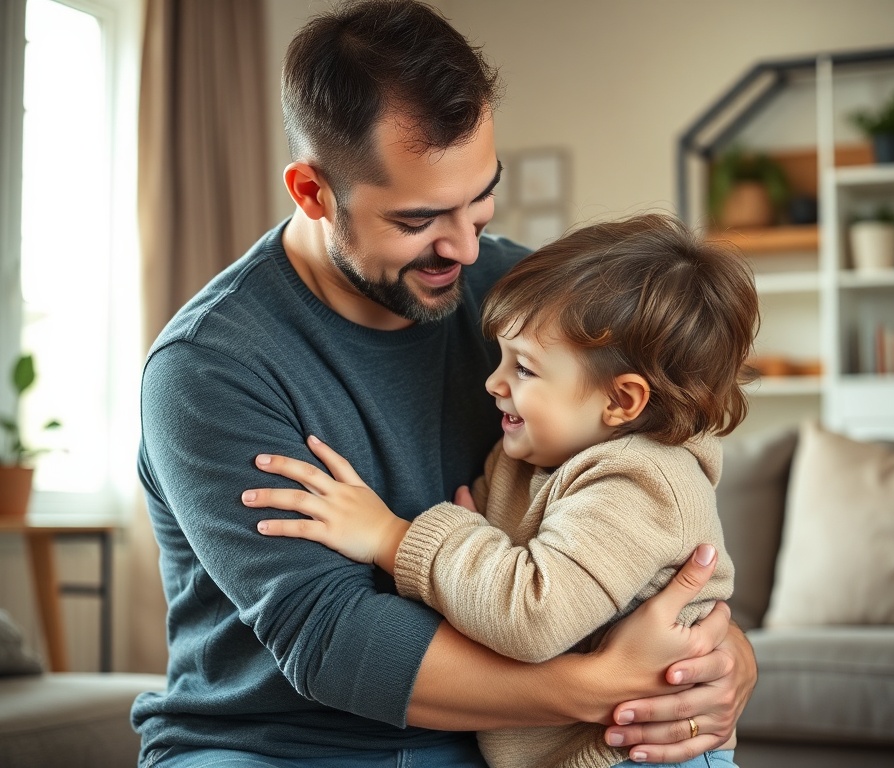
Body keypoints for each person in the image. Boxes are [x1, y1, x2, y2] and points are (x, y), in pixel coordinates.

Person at [132, 1, 758, 766]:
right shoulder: (211, 367)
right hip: (278, 743)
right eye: (420, 219)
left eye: (482, 197)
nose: (464, 247)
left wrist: (718, 664)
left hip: (488, 740)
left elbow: (653, 516)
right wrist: (599, 687)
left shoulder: (535, 309)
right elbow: (332, 641)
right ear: (313, 193)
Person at [245, 212, 758, 768]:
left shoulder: (642, 481)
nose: (494, 382)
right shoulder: (531, 455)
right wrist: (475, 552)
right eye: (501, 359)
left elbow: (530, 616)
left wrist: (391, 537)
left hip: (642, 758)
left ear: (622, 401)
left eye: (525, 370)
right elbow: (481, 582)